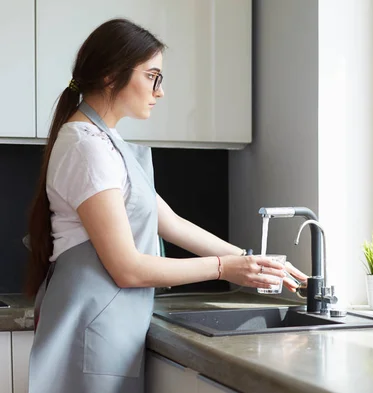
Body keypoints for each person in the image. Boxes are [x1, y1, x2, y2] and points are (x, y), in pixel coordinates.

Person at [24, 18, 307, 393]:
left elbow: (169, 222)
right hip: (89, 332)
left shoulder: (106, 143)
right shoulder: (86, 147)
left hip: (105, 329)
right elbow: (127, 268)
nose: (160, 91)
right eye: (152, 76)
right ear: (111, 75)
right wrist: (225, 268)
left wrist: (254, 261)